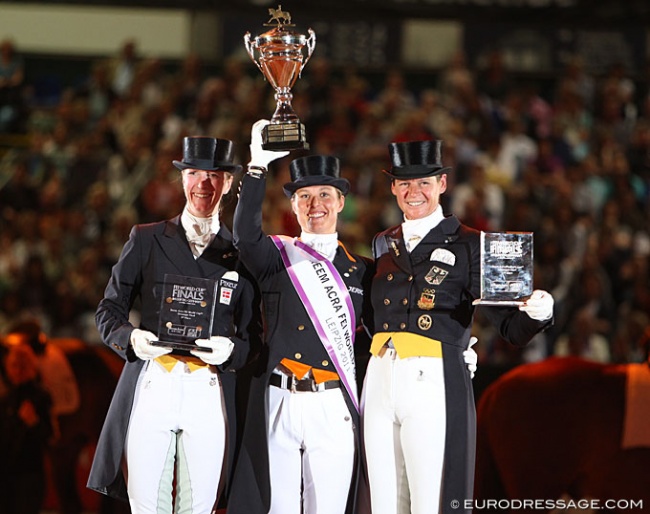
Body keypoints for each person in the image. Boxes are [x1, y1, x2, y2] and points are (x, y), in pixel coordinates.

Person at [362, 139, 554, 514]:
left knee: (430, 499)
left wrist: (538, 313)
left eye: (424, 183)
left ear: (443, 185)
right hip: (381, 375)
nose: (413, 192)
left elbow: (511, 330)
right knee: (384, 503)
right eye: (404, 183)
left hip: (430, 378)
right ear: (392, 188)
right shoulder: (383, 242)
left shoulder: (472, 244)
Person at [86, 136, 261, 514]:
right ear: (182, 179)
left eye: (214, 175)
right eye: (195, 173)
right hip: (155, 380)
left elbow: (252, 339)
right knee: (147, 505)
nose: (204, 184)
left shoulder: (242, 255)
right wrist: (129, 337)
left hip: (208, 386)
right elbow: (109, 309)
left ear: (229, 183)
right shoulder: (146, 239)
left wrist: (232, 350)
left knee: (199, 506)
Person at [227, 119, 375, 514]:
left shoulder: (362, 271)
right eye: (305, 197)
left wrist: (452, 344)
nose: (316, 205)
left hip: (332, 405)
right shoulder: (278, 257)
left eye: (325, 194)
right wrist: (256, 166)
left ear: (341, 202)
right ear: (293, 204)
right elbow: (244, 235)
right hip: (281, 400)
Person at [0, 342, 53, 514]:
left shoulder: (41, 397)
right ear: (7, 367)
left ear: (31, 367)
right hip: (6, 475)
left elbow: (50, 436)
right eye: (14, 365)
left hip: (29, 478)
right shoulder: (6, 398)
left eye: (23, 365)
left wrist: (34, 422)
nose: (18, 370)